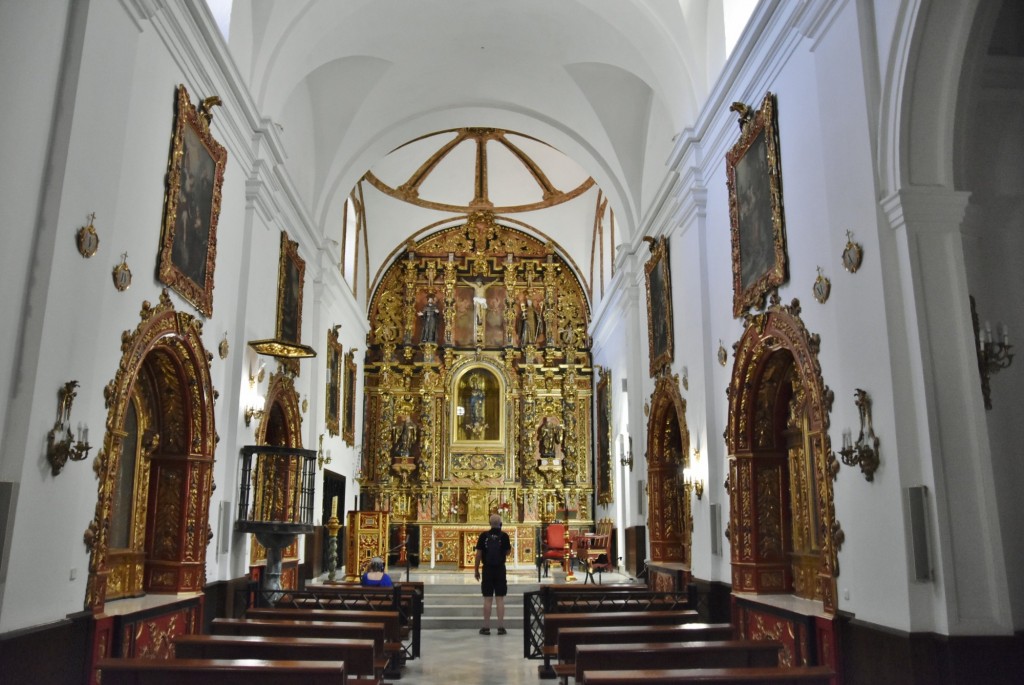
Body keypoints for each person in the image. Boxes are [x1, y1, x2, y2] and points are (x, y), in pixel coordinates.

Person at [474, 513, 512, 635]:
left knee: (488, 598)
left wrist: (476, 570)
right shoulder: (504, 536)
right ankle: (500, 627)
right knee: (500, 598)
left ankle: (486, 627)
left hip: (488, 569)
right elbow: (507, 553)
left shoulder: (483, 536)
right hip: (500, 569)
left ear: (490, 523)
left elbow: (478, 554)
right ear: (500, 523)